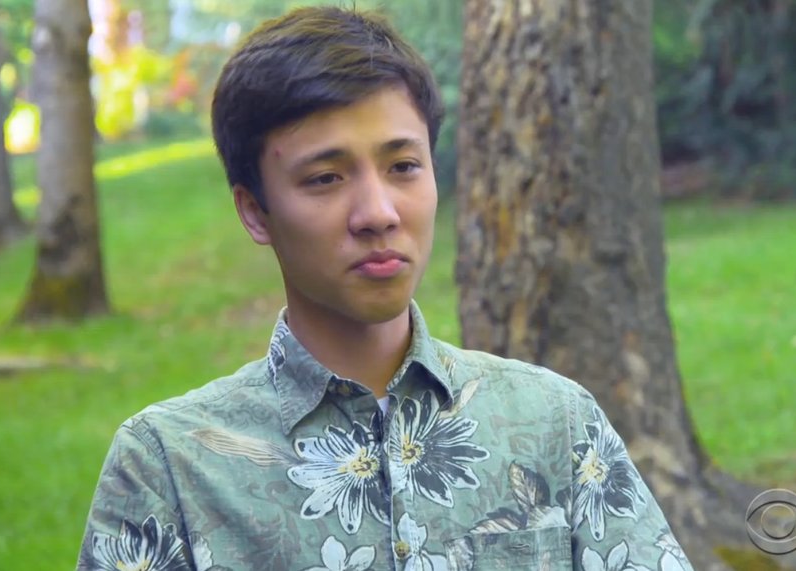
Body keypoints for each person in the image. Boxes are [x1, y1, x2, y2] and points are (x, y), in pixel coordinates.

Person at [77, 6, 694, 571]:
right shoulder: (169, 467)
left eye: (403, 167)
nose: (378, 212)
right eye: (326, 177)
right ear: (255, 212)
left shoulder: (555, 423)